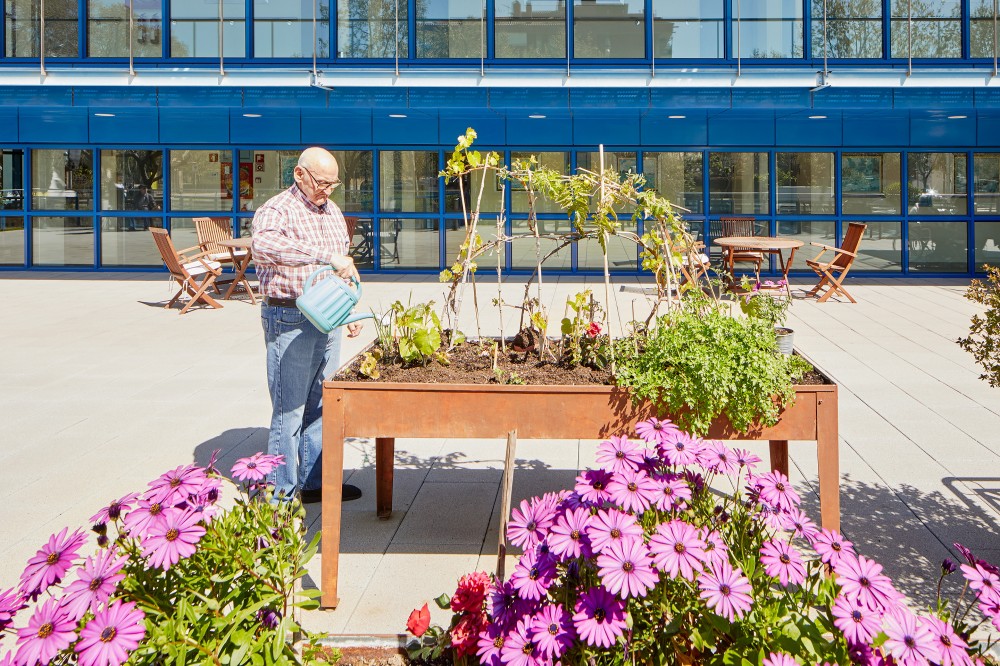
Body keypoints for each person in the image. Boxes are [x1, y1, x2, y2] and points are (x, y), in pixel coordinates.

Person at [251, 147, 363, 504]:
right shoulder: (277, 209)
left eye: (334, 184)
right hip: (290, 319)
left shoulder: (332, 211)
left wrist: (348, 306)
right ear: (299, 174)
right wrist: (326, 256)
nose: (328, 191)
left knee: (322, 405)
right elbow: (266, 245)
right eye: (322, 183)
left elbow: (342, 262)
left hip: (328, 317)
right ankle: (281, 492)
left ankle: (314, 483)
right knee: (290, 410)